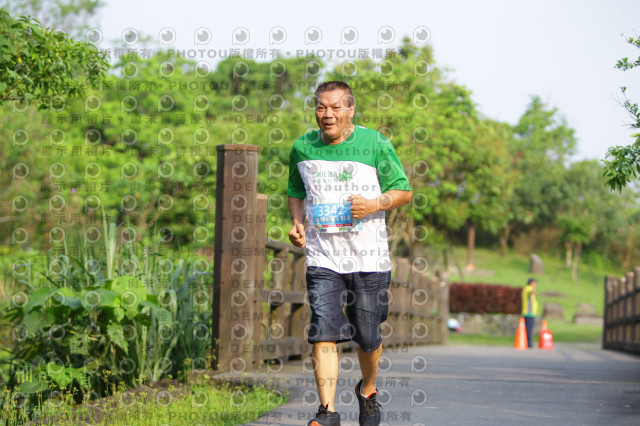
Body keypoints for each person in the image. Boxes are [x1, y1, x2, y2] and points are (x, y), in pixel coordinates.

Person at [287, 81, 412, 426]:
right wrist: (297, 223)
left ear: (351, 109)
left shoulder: (375, 143)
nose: (327, 114)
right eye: (321, 107)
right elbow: (296, 191)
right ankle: (327, 412)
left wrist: (374, 203)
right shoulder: (302, 147)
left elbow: (402, 191)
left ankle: (368, 390)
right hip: (323, 257)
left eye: (336, 107)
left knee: (368, 336)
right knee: (322, 330)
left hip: (369, 258)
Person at [521, 278, 539, 348]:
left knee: (527, 328)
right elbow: (531, 291)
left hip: (529, 312)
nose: (536, 284)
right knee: (528, 329)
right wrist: (533, 290)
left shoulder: (526, 288)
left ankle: (527, 342)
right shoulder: (528, 288)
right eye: (535, 283)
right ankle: (528, 343)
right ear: (531, 283)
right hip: (529, 313)